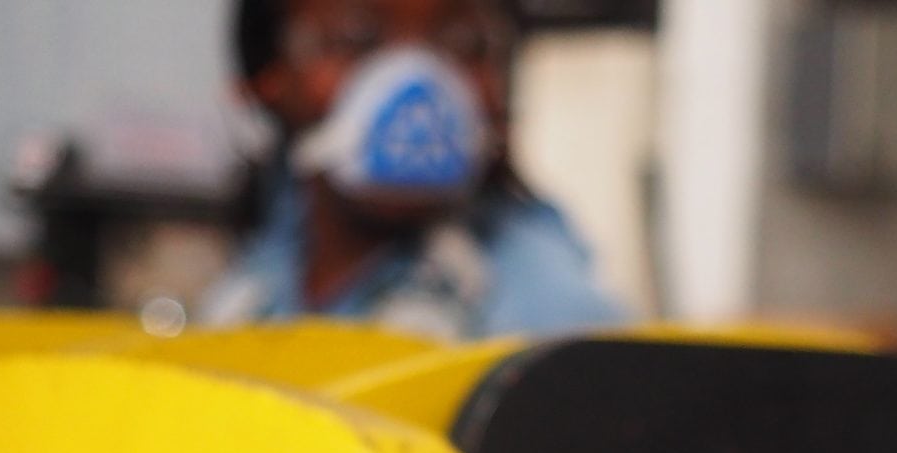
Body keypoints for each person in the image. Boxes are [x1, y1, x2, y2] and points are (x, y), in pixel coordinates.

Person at [203, 0, 624, 339]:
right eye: (357, 39)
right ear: (265, 82)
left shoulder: (547, 315)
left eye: (465, 43)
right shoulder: (253, 286)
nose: (417, 81)